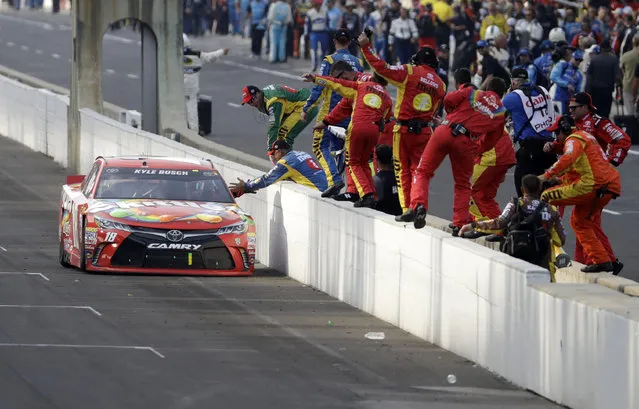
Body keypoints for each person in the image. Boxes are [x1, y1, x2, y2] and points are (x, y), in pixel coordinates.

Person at [397, 73, 508, 231]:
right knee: (463, 184)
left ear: (488, 88)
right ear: (503, 94)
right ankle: (459, 224)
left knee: (422, 171)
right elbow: (492, 140)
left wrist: (451, 113)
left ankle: (418, 205)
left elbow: (449, 99)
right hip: (466, 141)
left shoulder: (473, 92)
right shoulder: (501, 112)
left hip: (445, 129)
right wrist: (478, 148)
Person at [359, 33, 446, 212]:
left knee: (402, 172)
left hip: (404, 130)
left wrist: (366, 47)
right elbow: (436, 109)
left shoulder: (410, 71)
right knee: (419, 172)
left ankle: (407, 209)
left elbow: (381, 67)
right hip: (424, 132)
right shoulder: (441, 85)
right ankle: (419, 205)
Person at [539, 115, 622, 273]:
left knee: (545, 196)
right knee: (580, 221)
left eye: (557, 133)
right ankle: (603, 261)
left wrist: (546, 176)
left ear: (565, 129)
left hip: (594, 185)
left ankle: (548, 246)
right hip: (608, 185)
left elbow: (567, 158)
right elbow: (581, 170)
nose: (556, 137)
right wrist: (559, 180)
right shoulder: (586, 137)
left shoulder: (573, 139)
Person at [304, 70, 393, 208]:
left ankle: (366, 194)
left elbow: (336, 83)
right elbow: (384, 119)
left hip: (358, 127)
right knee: (363, 163)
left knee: (352, 162)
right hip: (374, 131)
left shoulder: (361, 86)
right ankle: (372, 195)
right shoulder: (387, 98)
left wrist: (315, 78)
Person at [459, 174, 565, 277]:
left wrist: (473, 225)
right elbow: (561, 239)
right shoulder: (551, 210)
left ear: (523, 189)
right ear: (540, 188)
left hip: (516, 258)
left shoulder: (515, 204)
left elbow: (499, 223)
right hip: (542, 262)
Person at [301, 30, 364, 196]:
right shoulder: (358, 62)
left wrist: (307, 108)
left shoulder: (329, 60)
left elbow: (319, 86)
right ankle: (346, 186)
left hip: (331, 113)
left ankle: (334, 180)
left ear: (334, 41)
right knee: (341, 151)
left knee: (319, 146)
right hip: (350, 113)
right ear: (349, 42)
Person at [502, 67, 556, 197]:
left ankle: (529, 212)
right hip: (550, 145)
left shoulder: (513, 97)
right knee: (542, 187)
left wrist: (507, 95)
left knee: (523, 187)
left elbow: (496, 114)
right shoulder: (542, 90)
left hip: (530, 147)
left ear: (513, 83)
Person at [241, 84, 318, 157]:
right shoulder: (262, 98)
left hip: (305, 105)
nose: (252, 104)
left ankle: (289, 165)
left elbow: (274, 125)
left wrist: (270, 149)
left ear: (258, 93)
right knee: (278, 138)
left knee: (284, 136)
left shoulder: (274, 101)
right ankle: (286, 163)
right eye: (248, 102)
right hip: (296, 106)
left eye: (252, 100)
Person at [229, 140, 328, 196]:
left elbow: (266, 179)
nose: (272, 157)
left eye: (273, 154)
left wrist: (246, 186)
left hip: (318, 193)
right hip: (328, 187)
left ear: (279, 151)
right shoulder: (302, 153)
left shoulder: (285, 162)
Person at [468, 127, 516, 237]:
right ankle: (499, 229)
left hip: (491, 158)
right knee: (485, 196)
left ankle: (481, 225)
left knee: (469, 190)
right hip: (503, 157)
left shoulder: (475, 115)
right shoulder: (496, 115)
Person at [567, 92, 631, 167]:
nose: (570, 111)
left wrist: (612, 162)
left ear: (584, 107)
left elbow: (623, 139)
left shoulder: (598, 122)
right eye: (569, 107)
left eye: (573, 108)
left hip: (594, 172)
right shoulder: (571, 122)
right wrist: (553, 146)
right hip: (577, 169)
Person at [183, 34, 230, 133]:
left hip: (177, 88)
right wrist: (222, 52)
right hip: (192, 89)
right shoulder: (196, 55)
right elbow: (210, 57)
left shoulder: (172, 56)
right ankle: (194, 134)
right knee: (192, 112)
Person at [585, 40, 621, 118]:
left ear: (600, 48)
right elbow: (617, 76)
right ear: (609, 48)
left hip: (594, 90)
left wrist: (587, 91)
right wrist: (619, 85)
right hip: (607, 90)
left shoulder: (594, 59)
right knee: (605, 113)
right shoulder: (613, 59)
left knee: (595, 113)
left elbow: (589, 77)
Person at [549, 48, 583, 115]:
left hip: (570, 102)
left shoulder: (579, 74)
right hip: (558, 99)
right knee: (558, 120)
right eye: (576, 59)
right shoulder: (563, 65)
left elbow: (578, 90)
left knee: (568, 122)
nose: (578, 62)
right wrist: (566, 84)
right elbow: (553, 77)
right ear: (572, 58)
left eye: (580, 60)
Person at [373, 144, 402, 215]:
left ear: (378, 161)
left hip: (382, 219)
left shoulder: (375, 181)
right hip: (398, 218)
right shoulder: (401, 178)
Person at [306, 0, 330, 71]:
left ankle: (323, 65)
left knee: (324, 49)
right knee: (314, 49)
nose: (317, 6)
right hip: (314, 33)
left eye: (318, 4)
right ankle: (314, 65)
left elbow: (328, 22)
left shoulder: (325, 11)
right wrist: (308, 33)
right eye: (316, 4)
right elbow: (308, 25)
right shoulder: (310, 13)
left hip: (323, 32)